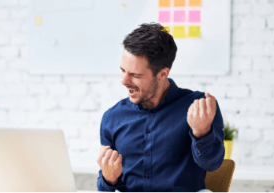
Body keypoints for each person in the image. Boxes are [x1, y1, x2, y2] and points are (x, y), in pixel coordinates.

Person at [96, 22, 224, 192]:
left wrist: (202, 133)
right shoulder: (112, 118)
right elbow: (104, 188)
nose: (124, 81)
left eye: (135, 75)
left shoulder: (198, 108)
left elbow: (212, 164)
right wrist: (108, 179)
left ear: (163, 74)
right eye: (123, 71)